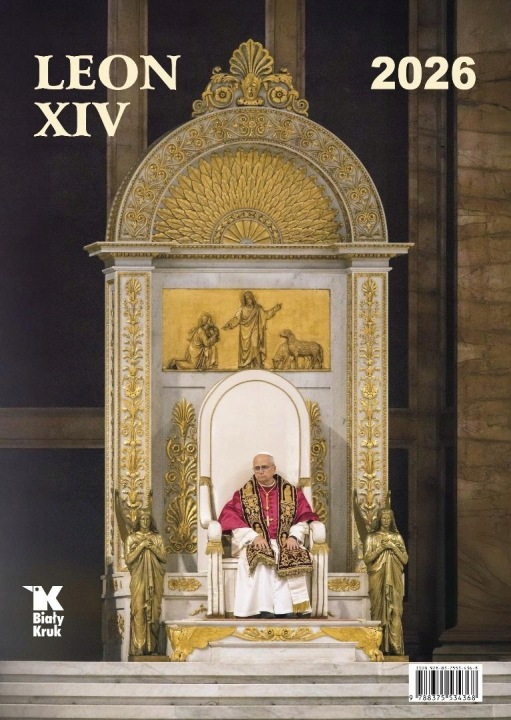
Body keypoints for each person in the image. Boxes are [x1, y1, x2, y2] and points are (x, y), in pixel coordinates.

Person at [218, 452, 319, 618]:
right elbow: (230, 518)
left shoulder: (293, 493)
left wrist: (294, 537)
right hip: (256, 541)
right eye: (257, 468)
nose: (260, 471)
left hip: (285, 541)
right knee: (262, 560)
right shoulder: (242, 495)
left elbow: (304, 517)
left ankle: (287, 610)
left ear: (274, 468)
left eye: (264, 467)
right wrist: (253, 537)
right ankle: (262, 609)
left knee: (290, 556)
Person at [363, 507, 408, 655]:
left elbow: (405, 559)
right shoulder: (371, 538)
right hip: (377, 575)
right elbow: (367, 559)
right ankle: (378, 645)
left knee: (395, 610)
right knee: (377, 610)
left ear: (392, 520)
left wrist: (393, 547)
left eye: (389, 518)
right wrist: (381, 548)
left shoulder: (397, 538)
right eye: (383, 518)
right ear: (379, 519)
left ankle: (395, 646)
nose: (386, 521)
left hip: (394, 578)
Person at [125, 510, 167, 655]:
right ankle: (139, 647)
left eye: (147, 518)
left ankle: (152, 648)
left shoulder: (157, 538)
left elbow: (164, 558)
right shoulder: (131, 538)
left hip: (154, 577)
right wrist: (141, 545)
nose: (145, 521)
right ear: (138, 521)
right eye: (142, 519)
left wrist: (152, 547)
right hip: (138, 578)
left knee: (154, 613)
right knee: (138, 610)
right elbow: (128, 559)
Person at [223, 291, 281, 369]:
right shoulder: (242, 309)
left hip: (255, 331)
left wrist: (274, 309)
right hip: (245, 333)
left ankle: (258, 364)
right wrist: (229, 325)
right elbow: (236, 319)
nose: (249, 300)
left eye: (250, 298)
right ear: (244, 300)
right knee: (246, 349)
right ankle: (246, 364)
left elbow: (266, 315)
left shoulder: (258, 308)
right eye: (247, 299)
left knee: (255, 345)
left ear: (252, 298)